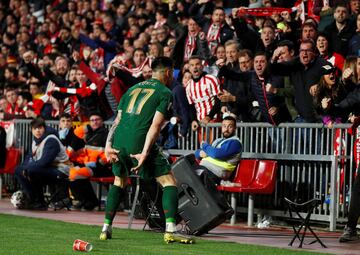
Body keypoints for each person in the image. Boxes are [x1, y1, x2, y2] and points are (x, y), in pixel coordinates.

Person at [99, 57, 194, 244]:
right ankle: (170, 231)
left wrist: (107, 146)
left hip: (119, 142)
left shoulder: (132, 89)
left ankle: (105, 228)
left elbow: (117, 121)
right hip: (139, 142)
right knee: (169, 182)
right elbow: (155, 126)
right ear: (168, 73)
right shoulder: (165, 92)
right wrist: (144, 152)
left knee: (119, 181)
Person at [14, 117, 71, 210]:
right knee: (18, 170)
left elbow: (45, 161)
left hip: (61, 170)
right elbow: (28, 158)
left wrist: (27, 169)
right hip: (46, 169)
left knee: (32, 171)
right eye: (35, 128)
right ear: (31, 130)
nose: (37, 131)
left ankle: (39, 202)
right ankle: (33, 200)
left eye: (40, 128)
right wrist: (24, 168)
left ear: (44, 128)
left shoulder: (51, 139)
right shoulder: (35, 141)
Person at [195, 114, 242, 184]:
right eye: (224, 126)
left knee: (186, 174)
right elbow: (197, 153)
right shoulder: (218, 140)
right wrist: (199, 153)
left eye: (230, 127)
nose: (226, 129)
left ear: (235, 128)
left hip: (214, 175)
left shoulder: (235, 143)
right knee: (181, 169)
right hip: (204, 170)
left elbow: (216, 154)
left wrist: (204, 145)